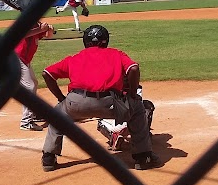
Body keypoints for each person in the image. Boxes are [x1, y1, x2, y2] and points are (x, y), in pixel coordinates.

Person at [40, 24, 162, 172]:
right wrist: (132, 94)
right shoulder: (116, 54)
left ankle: (48, 158)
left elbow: (47, 73)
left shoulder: (74, 58)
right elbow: (134, 68)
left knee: (56, 114)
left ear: (85, 41)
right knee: (138, 108)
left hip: (76, 102)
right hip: (110, 103)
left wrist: (61, 99)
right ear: (105, 40)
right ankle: (143, 157)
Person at [16, 20, 55, 131]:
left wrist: (49, 30)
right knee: (30, 86)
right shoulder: (25, 23)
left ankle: (33, 113)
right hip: (16, 58)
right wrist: (40, 29)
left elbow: (48, 35)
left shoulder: (36, 24)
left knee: (33, 83)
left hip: (25, 60)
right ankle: (26, 122)